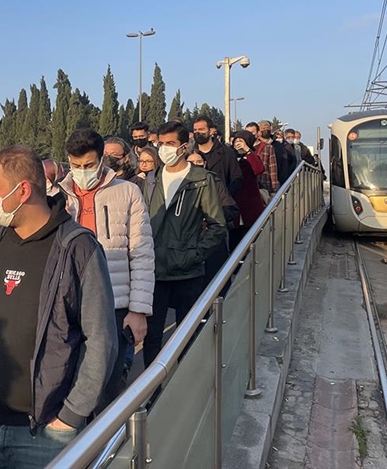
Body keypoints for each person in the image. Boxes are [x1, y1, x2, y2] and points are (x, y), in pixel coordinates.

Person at [0, 145, 117, 467]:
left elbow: (101, 339)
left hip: (44, 435)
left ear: (23, 190)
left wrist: (71, 416)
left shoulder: (77, 248)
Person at [60, 128, 155, 408]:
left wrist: (138, 310)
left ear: (102, 160)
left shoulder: (127, 192)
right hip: (69, 305)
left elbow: (142, 254)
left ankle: (108, 446)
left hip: (114, 304)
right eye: (75, 166)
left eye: (88, 165)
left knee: (109, 387)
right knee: (68, 385)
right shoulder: (58, 195)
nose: (82, 171)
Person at [142, 121, 227, 368]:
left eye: (170, 144)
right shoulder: (150, 180)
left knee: (186, 338)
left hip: (187, 271)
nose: (164, 149)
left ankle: (186, 390)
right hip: (154, 272)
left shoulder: (201, 180)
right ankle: (151, 395)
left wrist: (195, 254)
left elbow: (217, 225)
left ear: (184, 146)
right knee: (151, 338)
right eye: (160, 144)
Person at [231, 130, 267, 250]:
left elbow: (259, 169)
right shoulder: (230, 156)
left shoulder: (252, 156)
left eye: (241, 141)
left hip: (250, 205)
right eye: (236, 141)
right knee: (234, 242)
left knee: (250, 242)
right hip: (234, 203)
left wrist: (247, 151)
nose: (238, 143)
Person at [193, 116, 243, 197]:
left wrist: (225, 196)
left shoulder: (227, 153)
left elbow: (236, 178)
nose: (197, 133)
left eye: (201, 129)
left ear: (211, 131)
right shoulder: (190, 154)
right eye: (195, 130)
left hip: (221, 202)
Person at [246, 122, 279, 199]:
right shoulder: (244, 149)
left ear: (258, 133)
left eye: (252, 133)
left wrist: (274, 189)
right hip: (248, 186)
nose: (249, 135)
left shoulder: (267, 147)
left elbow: (273, 168)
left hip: (263, 185)